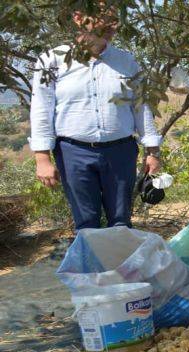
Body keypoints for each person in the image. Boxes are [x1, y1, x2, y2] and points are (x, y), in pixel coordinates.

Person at [29, 5, 162, 231]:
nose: (113, 24)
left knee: (121, 222)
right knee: (86, 224)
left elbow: (141, 107)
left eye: (115, 18)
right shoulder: (51, 61)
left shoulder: (126, 61)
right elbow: (42, 108)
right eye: (105, 18)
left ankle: (119, 266)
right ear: (79, 17)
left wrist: (153, 152)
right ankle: (91, 267)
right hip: (73, 152)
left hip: (120, 152)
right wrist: (42, 158)